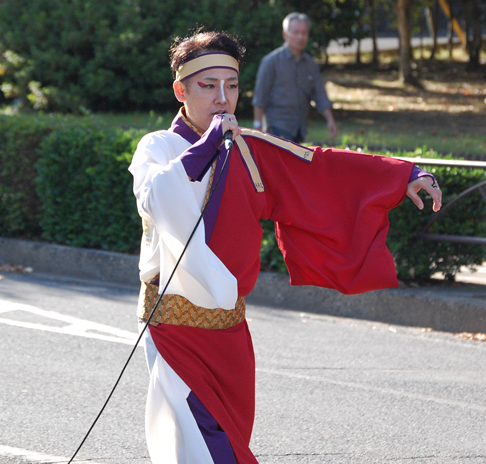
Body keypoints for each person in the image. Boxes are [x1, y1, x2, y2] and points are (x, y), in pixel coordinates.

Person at [129, 30, 441, 464]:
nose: (223, 98)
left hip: (232, 332)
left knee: (225, 442)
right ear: (180, 90)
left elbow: (317, 168)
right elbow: (156, 198)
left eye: (232, 86)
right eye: (208, 86)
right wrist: (206, 147)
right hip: (176, 329)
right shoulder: (158, 147)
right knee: (208, 447)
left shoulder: (249, 149)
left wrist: (401, 175)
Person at [252, 12, 337, 143]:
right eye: (296, 32)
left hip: (300, 128)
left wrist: (330, 120)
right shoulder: (271, 62)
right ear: (285, 34)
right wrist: (258, 126)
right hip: (277, 127)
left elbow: (320, 94)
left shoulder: (310, 64)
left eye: (304, 33)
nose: (300, 37)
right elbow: (260, 97)